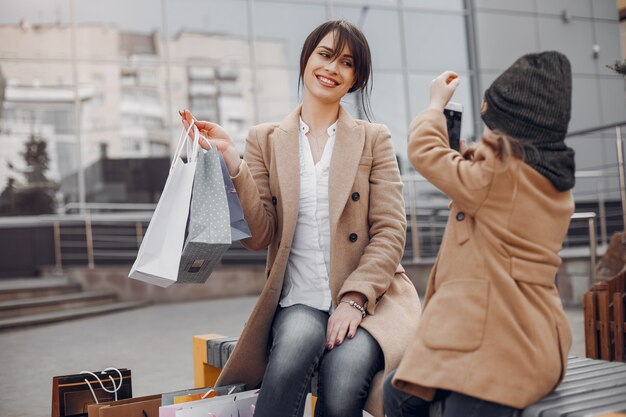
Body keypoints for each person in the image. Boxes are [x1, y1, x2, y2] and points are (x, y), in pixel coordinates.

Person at [180, 19, 420, 417]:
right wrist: (234, 162)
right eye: (325, 55)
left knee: (343, 381)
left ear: (356, 79)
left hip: (368, 301)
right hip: (299, 300)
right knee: (290, 357)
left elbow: (391, 231)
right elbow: (260, 237)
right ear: (306, 60)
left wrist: (354, 300)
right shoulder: (266, 139)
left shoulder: (374, 138)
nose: (332, 68)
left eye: (346, 63)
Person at [383, 51, 576, 417]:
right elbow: (496, 183)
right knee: (398, 393)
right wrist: (468, 156)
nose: (485, 130)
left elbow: (424, 151)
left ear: (508, 130)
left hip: (501, 350)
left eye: (491, 123)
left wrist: (435, 107)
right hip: (534, 341)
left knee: (416, 399)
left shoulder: (493, 182)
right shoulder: (546, 179)